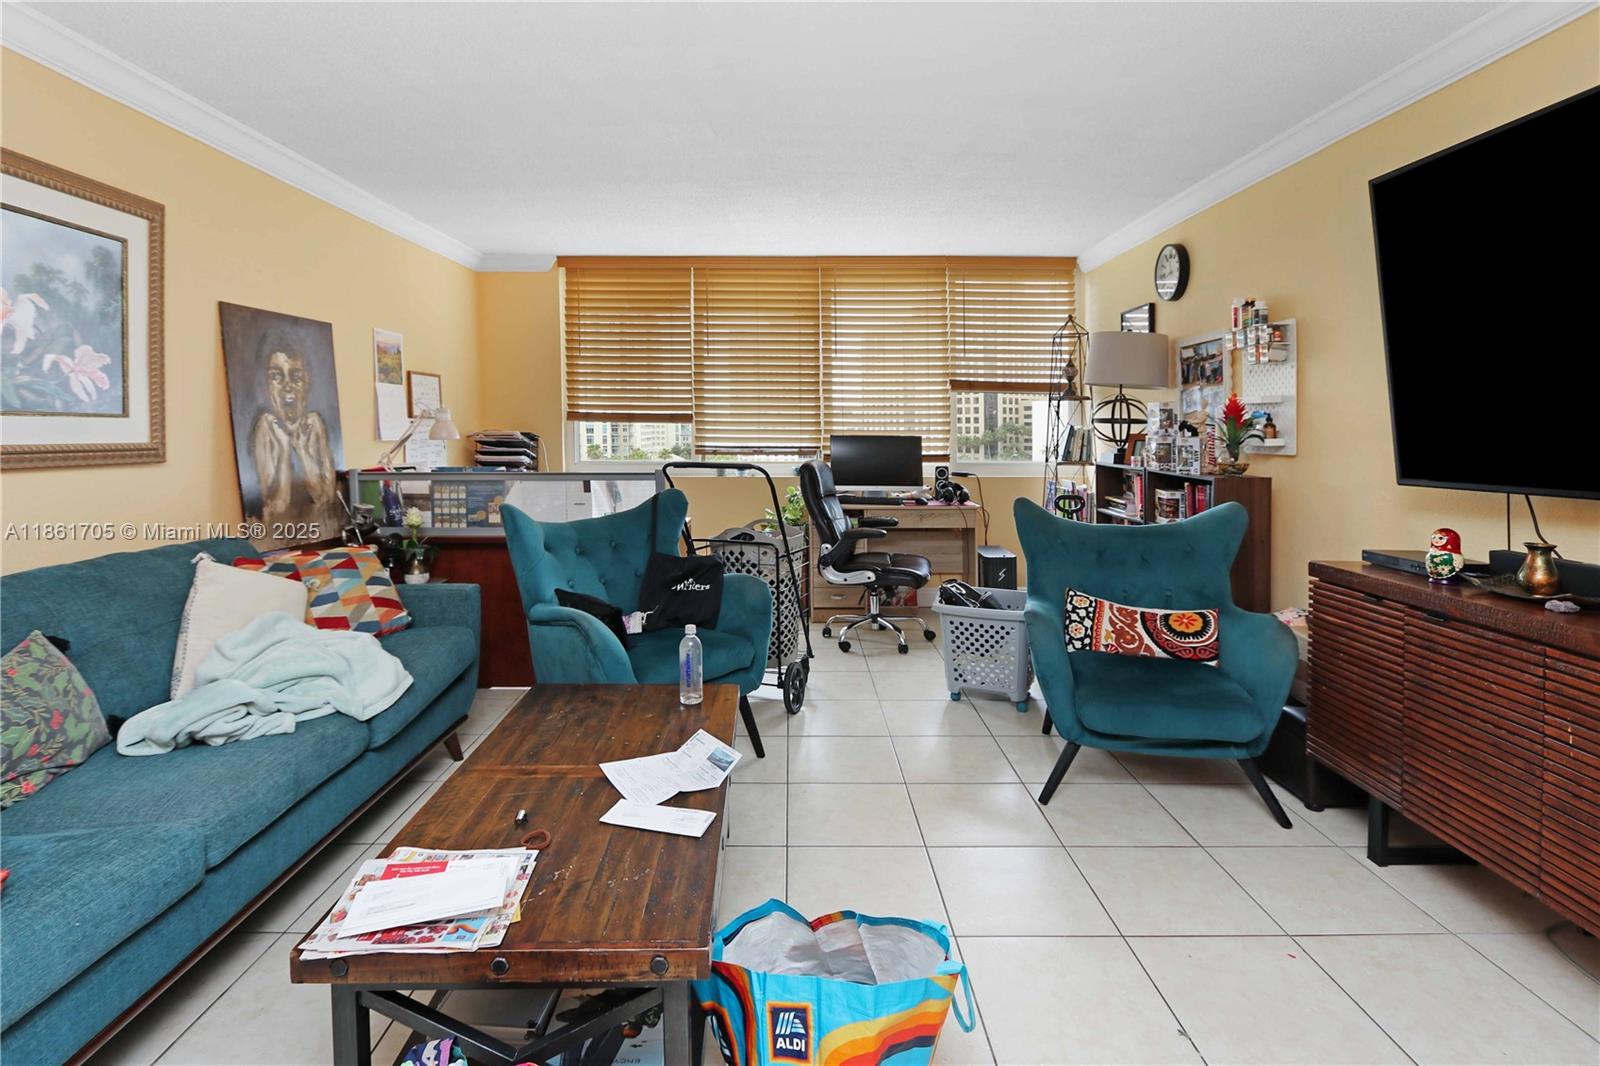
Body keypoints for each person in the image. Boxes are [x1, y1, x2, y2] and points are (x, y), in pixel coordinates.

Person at [249, 330, 339, 538]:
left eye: (296, 377)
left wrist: (301, 449)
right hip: (276, 537)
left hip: (320, 533)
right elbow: (277, 507)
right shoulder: (266, 427)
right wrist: (283, 449)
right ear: (267, 385)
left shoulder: (314, 424)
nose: (287, 387)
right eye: (276, 377)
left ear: (307, 381)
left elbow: (325, 498)